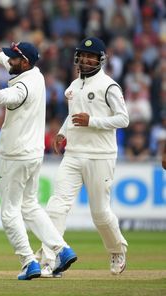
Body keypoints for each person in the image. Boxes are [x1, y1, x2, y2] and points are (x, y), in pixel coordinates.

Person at [0, 34, 77, 280]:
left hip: (16, 154)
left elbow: (4, 98)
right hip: (34, 153)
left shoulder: (22, 86)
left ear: (24, 62)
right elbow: (10, 64)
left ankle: (29, 262)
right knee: (30, 205)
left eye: (14, 57)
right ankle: (62, 249)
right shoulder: (35, 75)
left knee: (9, 212)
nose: (9, 60)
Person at [38, 37, 130, 277]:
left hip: (100, 155)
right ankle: (50, 259)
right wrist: (61, 132)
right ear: (78, 58)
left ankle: (117, 249)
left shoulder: (109, 86)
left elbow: (123, 119)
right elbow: (73, 115)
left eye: (92, 56)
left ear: (100, 59)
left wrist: (93, 122)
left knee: (100, 213)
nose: (87, 60)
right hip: (73, 154)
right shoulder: (74, 85)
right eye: (83, 56)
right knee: (57, 206)